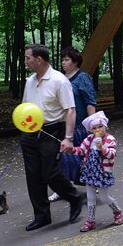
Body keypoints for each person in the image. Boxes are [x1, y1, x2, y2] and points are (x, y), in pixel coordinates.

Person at [20, 45, 82, 231]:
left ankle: (73, 197)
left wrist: (68, 138)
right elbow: (25, 107)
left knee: (51, 173)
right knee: (33, 175)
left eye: (28, 58)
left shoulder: (59, 80)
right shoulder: (30, 81)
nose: (25, 61)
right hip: (30, 132)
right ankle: (42, 216)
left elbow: (70, 110)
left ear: (39, 59)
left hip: (52, 131)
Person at [48, 47, 97, 202]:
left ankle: (92, 183)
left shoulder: (83, 78)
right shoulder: (61, 79)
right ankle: (64, 188)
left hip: (81, 126)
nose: (64, 63)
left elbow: (90, 102)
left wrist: (93, 125)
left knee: (85, 157)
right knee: (64, 159)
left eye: (67, 60)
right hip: (64, 125)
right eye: (62, 60)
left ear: (75, 62)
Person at [69, 111, 123, 232]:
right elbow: (81, 150)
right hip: (90, 172)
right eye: (94, 128)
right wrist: (71, 150)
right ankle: (90, 220)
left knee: (103, 197)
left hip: (103, 173)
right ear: (91, 130)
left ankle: (117, 211)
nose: (98, 129)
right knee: (90, 197)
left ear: (105, 126)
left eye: (100, 126)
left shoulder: (109, 139)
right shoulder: (89, 139)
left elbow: (112, 154)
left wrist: (102, 148)